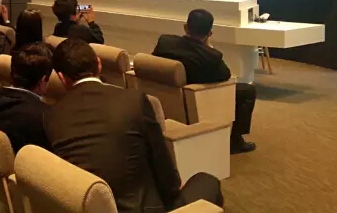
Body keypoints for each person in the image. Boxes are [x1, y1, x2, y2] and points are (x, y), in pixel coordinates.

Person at [44, 38, 223, 213]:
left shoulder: (51, 116)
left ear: (61, 77)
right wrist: (174, 191)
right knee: (207, 181)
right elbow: (162, 163)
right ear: (98, 64)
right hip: (141, 208)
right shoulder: (133, 101)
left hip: (84, 207)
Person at [152, 9, 257, 154]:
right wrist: (208, 46)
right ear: (210, 33)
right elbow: (225, 75)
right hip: (198, 98)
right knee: (247, 91)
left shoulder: (165, 42)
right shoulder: (210, 57)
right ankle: (235, 141)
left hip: (165, 96)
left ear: (185, 27)